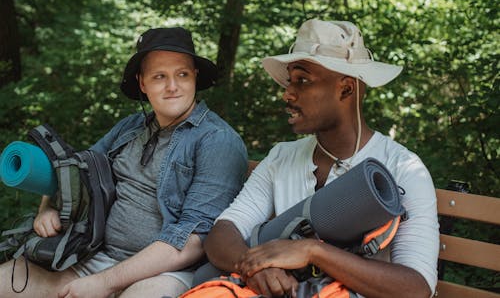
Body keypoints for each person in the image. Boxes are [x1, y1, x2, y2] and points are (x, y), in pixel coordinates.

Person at [0, 27, 248, 298]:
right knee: (5, 282)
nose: (173, 86)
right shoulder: (131, 127)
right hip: (95, 254)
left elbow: (193, 242)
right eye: (159, 76)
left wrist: (105, 283)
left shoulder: (217, 140)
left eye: (182, 74)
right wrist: (48, 207)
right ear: (143, 83)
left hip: (168, 272)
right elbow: (76, 171)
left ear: (195, 78)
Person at [204, 19, 439, 298]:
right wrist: (256, 267)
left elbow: (417, 287)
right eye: (290, 81)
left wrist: (312, 251)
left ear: (346, 89)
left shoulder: (402, 168)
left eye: (302, 81)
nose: (287, 93)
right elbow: (224, 231)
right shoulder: (282, 157)